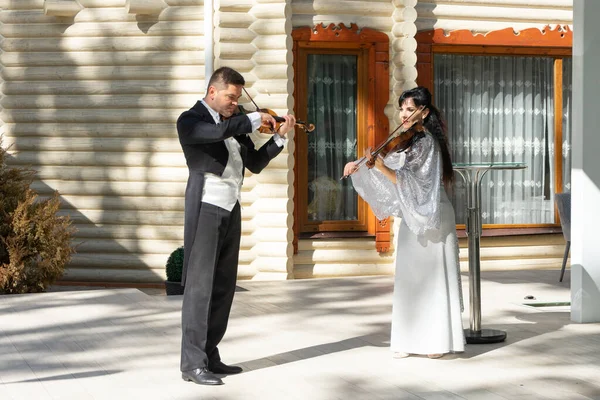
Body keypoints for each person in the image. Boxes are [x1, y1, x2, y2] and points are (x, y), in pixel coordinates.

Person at [176, 66, 296, 385]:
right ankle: (191, 364)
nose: (235, 103)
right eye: (231, 97)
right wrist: (253, 120)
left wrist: (279, 140)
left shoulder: (233, 125)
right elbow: (213, 135)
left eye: (238, 98)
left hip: (232, 206)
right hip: (205, 205)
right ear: (212, 92)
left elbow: (253, 163)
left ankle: (209, 354)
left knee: (223, 286)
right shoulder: (190, 120)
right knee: (200, 287)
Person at [343, 86, 464, 359]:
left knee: (432, 279)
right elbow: (391, 171)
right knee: (410, 278)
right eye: (402, 109)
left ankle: (436, 342)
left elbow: (412, 182)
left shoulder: (427, 143)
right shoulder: (409, 141)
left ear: (425, 111)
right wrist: (359, 164)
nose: (404, 114)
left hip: (432, 214)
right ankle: (409, 340)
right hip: (415, 214)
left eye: (410, 109)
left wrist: (379, 166)